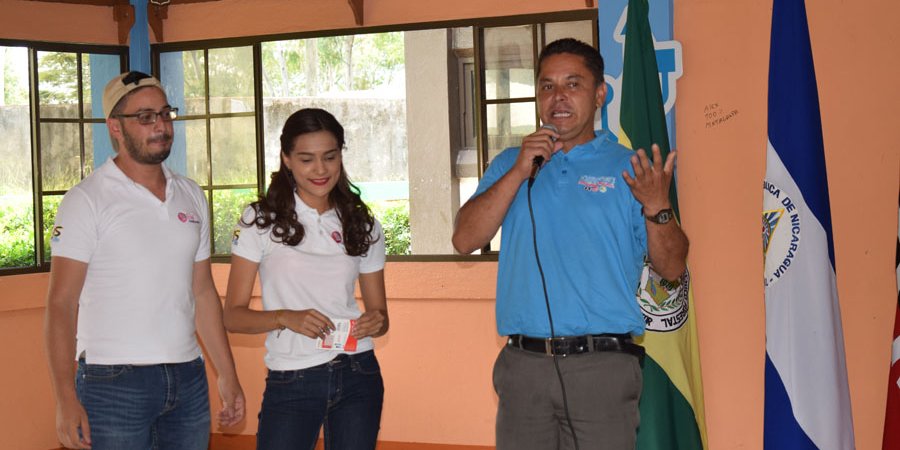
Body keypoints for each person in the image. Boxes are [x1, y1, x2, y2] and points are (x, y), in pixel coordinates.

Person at [452, 38, 689, 450]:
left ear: (599, 94)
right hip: (523, 368)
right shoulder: (510, 163)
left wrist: (657, 207)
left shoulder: (630, 167)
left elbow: (671, 268)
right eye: (547, 86)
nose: (558, 97)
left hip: (602, 367)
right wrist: (519, 170)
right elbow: (465, 239)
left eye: (573, 84)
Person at [44, 71, 245, 450]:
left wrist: (227, 374)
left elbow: (202, 293)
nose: (161, 126)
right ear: (115, 127)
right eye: (145, 117)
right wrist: (65, 398)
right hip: (112, 383)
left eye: (165, 113)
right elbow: (60, 304)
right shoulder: (86, 200)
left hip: (189, 377)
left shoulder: (190, 195)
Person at [224, 108, 388, 450]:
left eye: (330, 157)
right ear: (286, 159)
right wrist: (286, 318)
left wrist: (376, 322)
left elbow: (381, 317)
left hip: (359, 373)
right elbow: (233, 316)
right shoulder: (260, 220)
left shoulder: (363, 223)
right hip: (292, 378)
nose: (320, 169)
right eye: (306, 159)